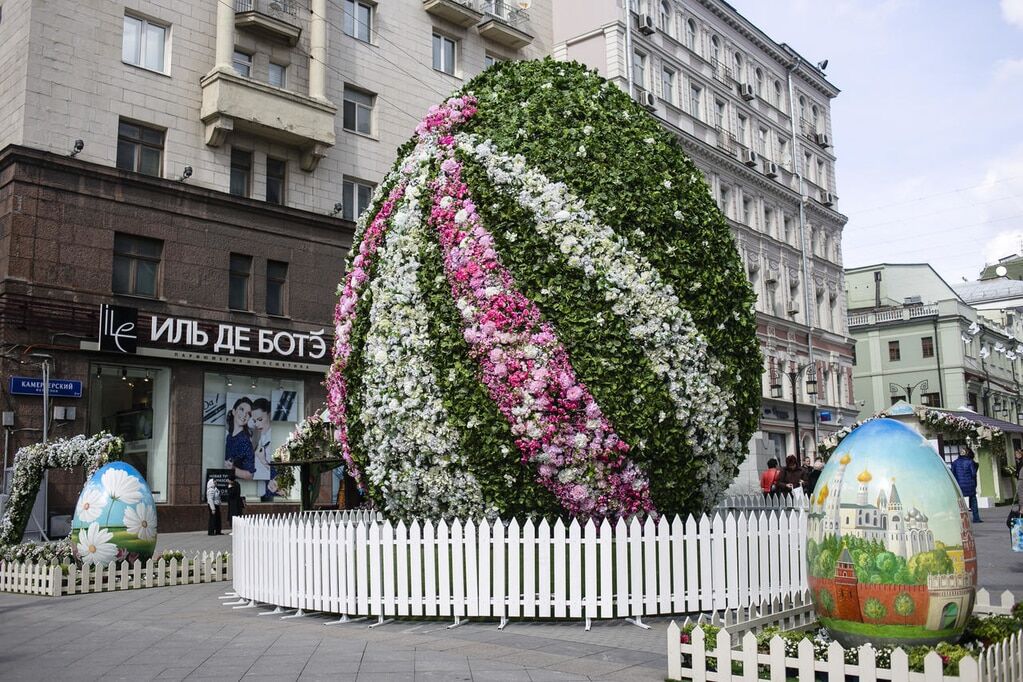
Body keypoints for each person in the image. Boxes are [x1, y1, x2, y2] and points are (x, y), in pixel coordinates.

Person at [250, 397, 277, 501]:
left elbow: (277, 466)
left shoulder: (274, 437)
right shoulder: (259, 436)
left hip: (271, 486)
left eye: (260, 419)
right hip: (260, 485)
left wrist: (263, 460)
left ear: (269, 415)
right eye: (254, 421)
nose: (257, 424)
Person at [225, 397, 256, 480]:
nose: (244, 415)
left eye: (248, 413)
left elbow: (250, 474)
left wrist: (233, 469)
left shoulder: (245, 441)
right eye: (241, 409)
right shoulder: (229, 437)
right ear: (234, 411)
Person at [951, 447, 982, 523]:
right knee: (973, 499)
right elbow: (973, 474)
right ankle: (976, 518)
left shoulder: (955, 462)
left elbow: (953, 474)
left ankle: (960, 518)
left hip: (959, 485)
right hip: (970, 484)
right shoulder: (970, 462)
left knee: (959, 501)